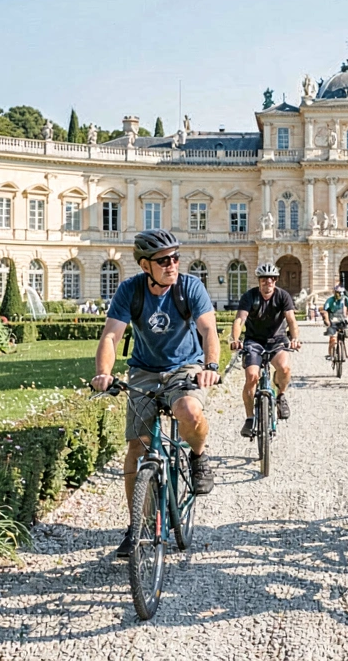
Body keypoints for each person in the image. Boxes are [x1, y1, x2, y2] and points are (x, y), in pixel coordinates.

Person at [91, 229, 220, 558]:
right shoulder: (130, 290)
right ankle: (137, 527)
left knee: (189, 411)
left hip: (185, 367)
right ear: (145, 266)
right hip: (145, 371)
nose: (172, 264)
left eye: (175, 258)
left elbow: (208, 328)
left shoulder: (190, 287)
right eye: (164, 261)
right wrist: (104, 373)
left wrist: (211, 366)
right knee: (138, 447)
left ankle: (199, 456)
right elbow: (111, 336)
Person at [229, 263, 301, 437]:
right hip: (254, 341)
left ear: (275, 280)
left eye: (271, 279)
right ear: (259, 281)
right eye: (264, 279)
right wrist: (235, 339)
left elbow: (291, 320)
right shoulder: (249, 296)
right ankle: (249, 418)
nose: (268, 282)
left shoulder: (282, 296)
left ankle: (281, 395)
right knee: (252, 376)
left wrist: (295, 339)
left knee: (285, 368)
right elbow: (240, 320)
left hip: (277, 340)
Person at [322, 286, 348, 360]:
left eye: (340, 293)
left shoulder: (346, 299)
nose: (339, 294)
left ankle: (347, 351)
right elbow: (325, 311)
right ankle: (331, 354)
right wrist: (326, 320)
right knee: (332, 339)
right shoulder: (330, 300)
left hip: (343, 321)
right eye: (337, 292)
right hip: (332, 321)